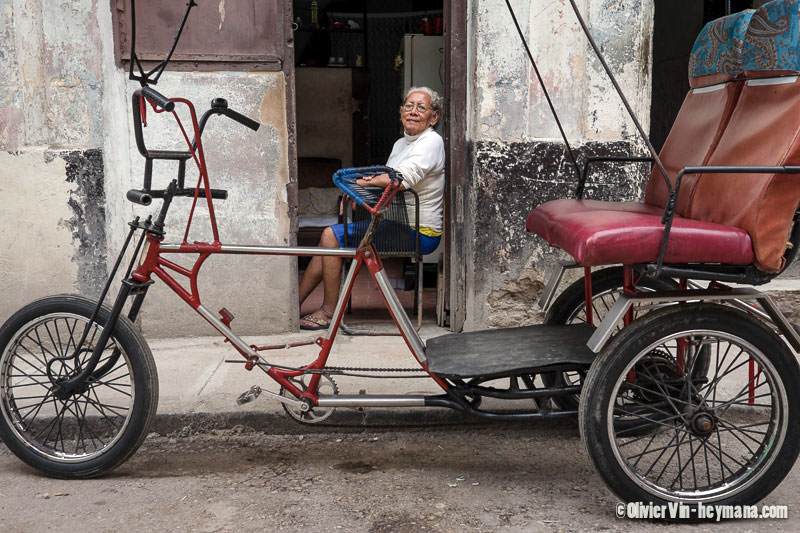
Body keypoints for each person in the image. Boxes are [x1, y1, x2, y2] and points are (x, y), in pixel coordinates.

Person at [298, 86, 446, 330]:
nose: (413, 112)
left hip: (420, 232)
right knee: (328, 241)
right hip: (395, 225)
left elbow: (398, 180)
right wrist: (360, 191)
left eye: (421, 108)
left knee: (330, 235)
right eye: (409, 106)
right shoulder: (401, 144)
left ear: (434, 117)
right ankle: (294, 305)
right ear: (401, 111)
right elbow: (384, 180)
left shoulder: (432, 141)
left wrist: (360, 183)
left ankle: (328, 311)